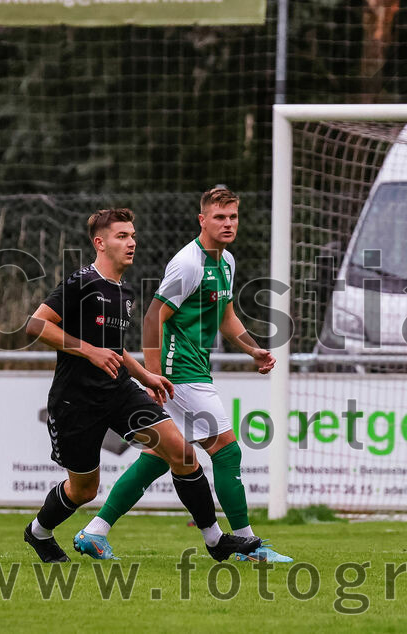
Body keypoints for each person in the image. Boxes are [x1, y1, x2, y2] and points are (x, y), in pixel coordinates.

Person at [24, 208, 261, 563]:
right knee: (84, 489)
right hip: (77, 401)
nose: (131, 242)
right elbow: (35, 325)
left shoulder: (126, 292)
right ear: (100, 243)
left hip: (120, 393)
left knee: (180, 452)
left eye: (133, 235)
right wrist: (89, 351)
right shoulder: (81, 282)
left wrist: (144, 375)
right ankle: (38, 532)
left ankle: (215, 541)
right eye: (122, 236)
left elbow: (115, 349)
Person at [74, 188, 291, 562]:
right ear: (202, 219)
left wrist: (252, 348)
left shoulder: (226, 262)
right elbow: (152, 317)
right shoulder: (188, 263)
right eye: (219, 217)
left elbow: (225, 315)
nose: (227, 224)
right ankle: (246, 545)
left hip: (193, 369)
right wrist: (153, 376)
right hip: (181, 372)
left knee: (158, 457)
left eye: (233, 217)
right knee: (226, 451)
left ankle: (95, 531)